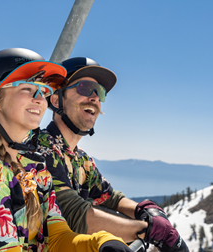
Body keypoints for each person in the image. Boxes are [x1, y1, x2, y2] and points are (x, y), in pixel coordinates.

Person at [0, 48, 133, 252]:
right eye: (27, 89)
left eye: (44, 91)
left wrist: (99, 243)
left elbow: (57, 237)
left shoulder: (35, 166)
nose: (40, 99)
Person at [37, 57, 189, 252]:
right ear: (57, 99)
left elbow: (111, 197)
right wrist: (149, 230)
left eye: (99, 92)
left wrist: (142, 210)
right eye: (84, 88)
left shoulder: (81, 160)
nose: (94, 98)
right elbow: (76, 215)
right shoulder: (42, 149)